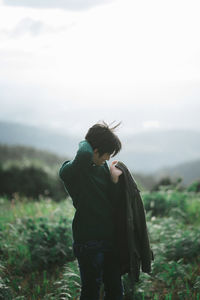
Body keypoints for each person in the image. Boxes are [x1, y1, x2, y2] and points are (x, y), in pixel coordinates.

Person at [59, 121, 123, 300]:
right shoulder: (72, 170)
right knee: (91, 291)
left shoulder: (102, 167)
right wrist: (87, 141)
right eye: (106, 155)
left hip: (110, 239)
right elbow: (84, 153)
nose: (107, 159)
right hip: (88, 243)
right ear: (94, 151)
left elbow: (113, 201)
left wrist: (114, 181)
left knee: (116, 290)